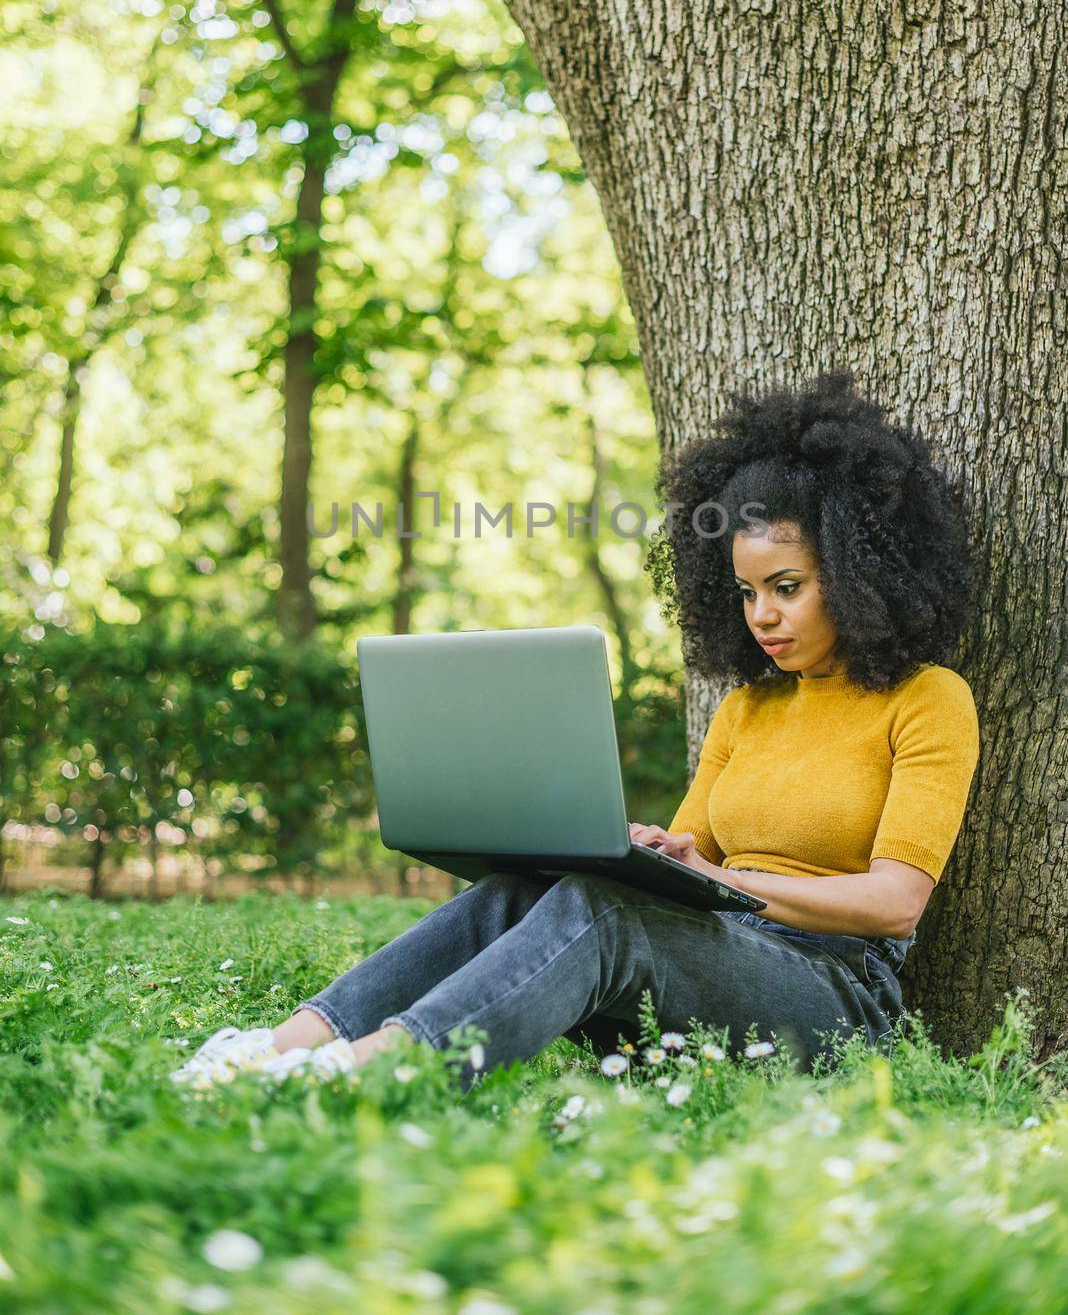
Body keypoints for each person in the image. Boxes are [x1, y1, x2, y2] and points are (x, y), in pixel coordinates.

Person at [171, 369, 981, 1092]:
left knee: (602, 911)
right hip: (715, 955)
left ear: (858, 572)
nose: (761, 614)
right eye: (744, 591)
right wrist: (661, 856)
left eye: (787, 586)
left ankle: (371, 1072)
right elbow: (692, 852)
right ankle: (279, 1049)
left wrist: (730, 887)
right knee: (525, 889)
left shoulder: (927, 699)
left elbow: (894, 905)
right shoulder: (747, 708)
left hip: (835, 995)